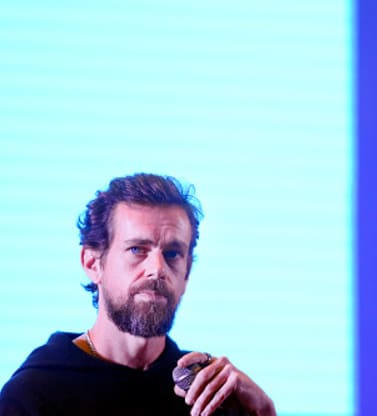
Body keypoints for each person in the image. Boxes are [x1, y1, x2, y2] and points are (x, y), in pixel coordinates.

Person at [0, 173, 276, 416]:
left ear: (187, 272)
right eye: (137, 250)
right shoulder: (35, 394)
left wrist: (263, 412)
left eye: (172, 254)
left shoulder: (209, 395)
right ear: (93, 264)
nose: (157, 269)